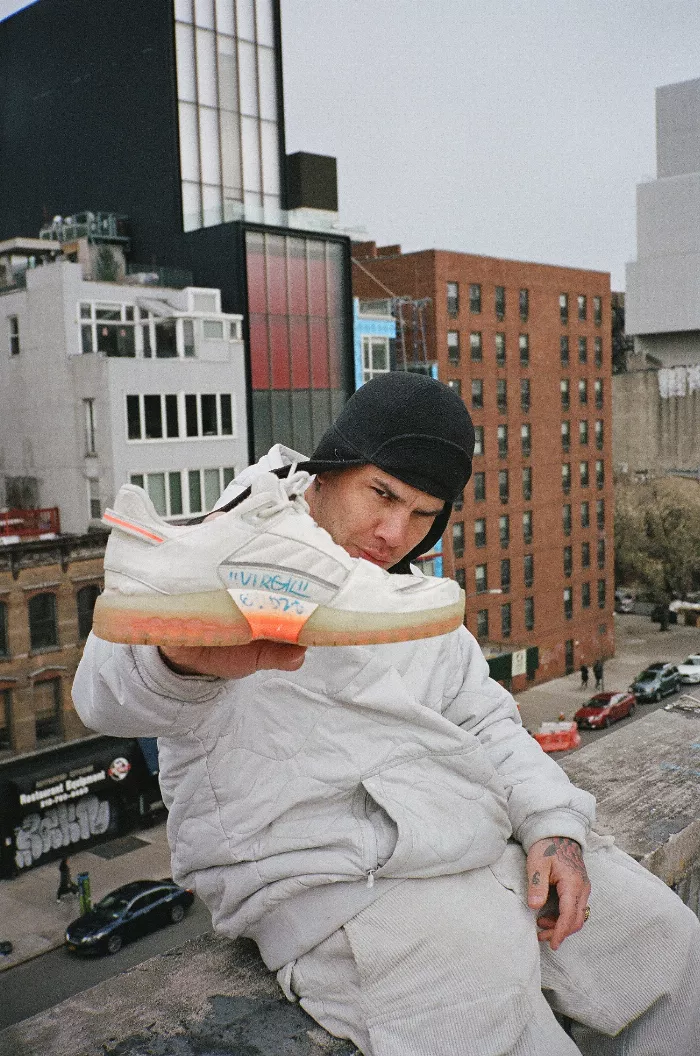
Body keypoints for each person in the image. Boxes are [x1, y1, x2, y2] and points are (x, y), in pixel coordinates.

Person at [73, 374, 700, 1055]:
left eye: (424, 513)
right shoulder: (232, 547)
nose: (394, 532)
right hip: (337, 889)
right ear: (332, 467)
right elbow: (103, 695)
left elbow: (488, 722)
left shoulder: (407, 597)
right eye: (382, 495)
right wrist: (183, 660)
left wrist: (553, 826)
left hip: (473, 845)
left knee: (676, 947)